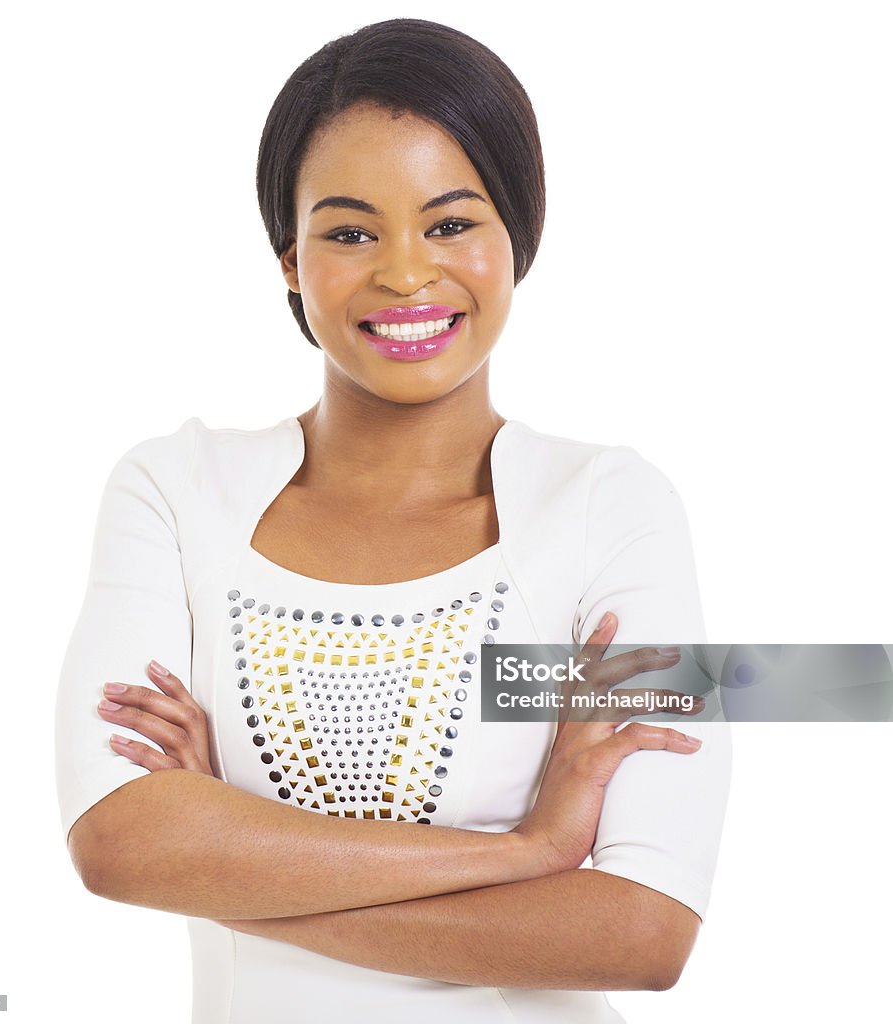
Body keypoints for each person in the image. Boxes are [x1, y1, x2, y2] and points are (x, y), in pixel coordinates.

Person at [54, 18, 731, 1023]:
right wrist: (524, 854)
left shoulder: (613, 510)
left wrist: (224, 858)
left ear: (516, 238)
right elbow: (118, 843)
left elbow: (641, 931)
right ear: (289, 259)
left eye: (452, 223)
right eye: (349, 231)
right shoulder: (172, 492)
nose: (406, 274)